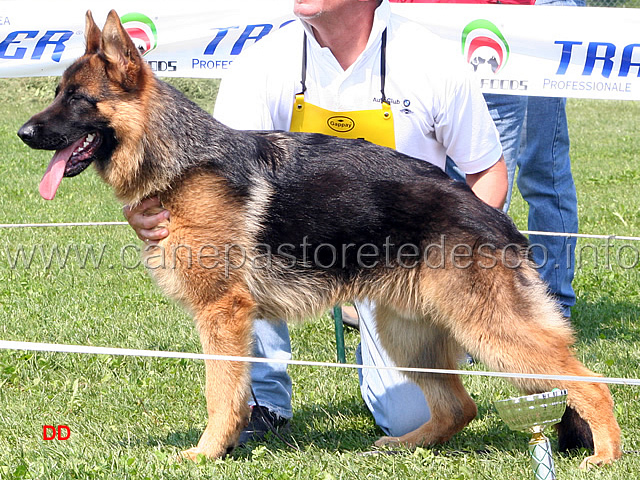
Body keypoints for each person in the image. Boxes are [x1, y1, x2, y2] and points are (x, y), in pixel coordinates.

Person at [124, 0, 506, 444]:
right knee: (231, 263)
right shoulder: (263, 61)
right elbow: (214, 183)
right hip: (288, 254)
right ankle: (259, 404)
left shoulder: (428, 59)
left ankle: (452, 396)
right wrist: (147, 207)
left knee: (406, 417)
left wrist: (458, 274)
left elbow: (488, 174)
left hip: (401, 254)